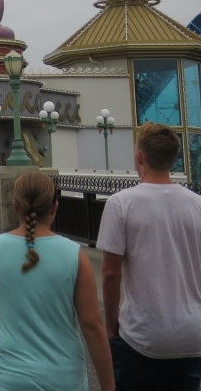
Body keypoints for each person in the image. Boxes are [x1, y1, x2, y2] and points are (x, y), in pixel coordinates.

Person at [0, 171, 115, 391]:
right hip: (64, 378)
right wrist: (109, 386)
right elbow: (92, 325)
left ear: (15, 206)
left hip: (9, 378)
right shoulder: (74, 255)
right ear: (55, 207)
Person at [97, 122, 201, 389]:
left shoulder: (121, 204)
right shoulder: (197, 204)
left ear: (140, 156)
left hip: (142, 337)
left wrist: (111, 329)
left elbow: (110, 272)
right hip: (193, 335)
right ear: (172, 159)